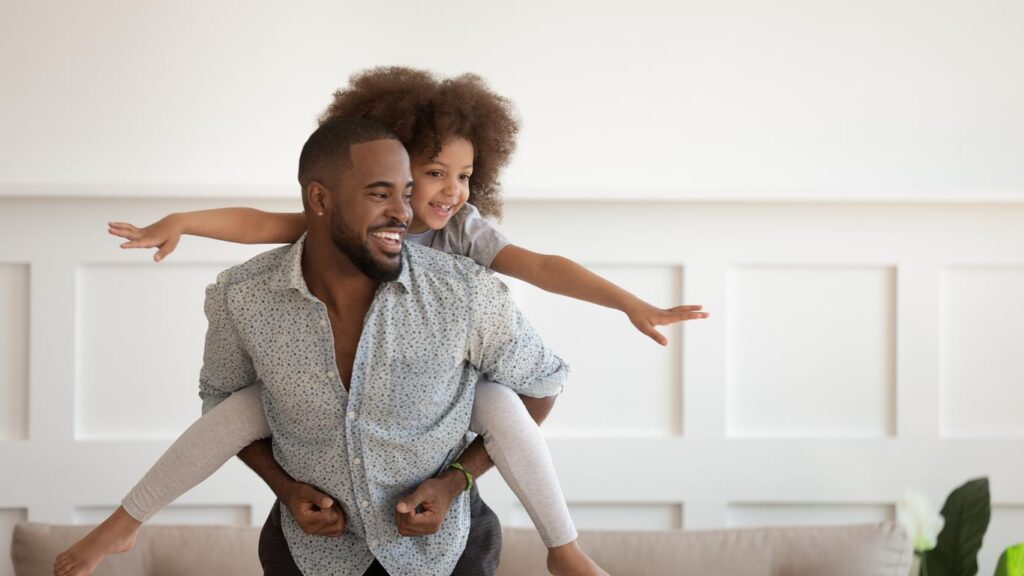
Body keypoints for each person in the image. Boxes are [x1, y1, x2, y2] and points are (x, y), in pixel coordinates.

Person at [56, 68, 707, 576]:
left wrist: (629, 302)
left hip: (455, 451)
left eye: (463, 176)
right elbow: (261, 224)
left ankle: (562, 545)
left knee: (503, 401)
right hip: (313, 549)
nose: (444, 192)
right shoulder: (263, 284)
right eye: (427, 175)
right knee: (237, 407)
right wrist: (183, 222)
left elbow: (541, 266)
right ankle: (125, 521)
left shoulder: (464, 249)